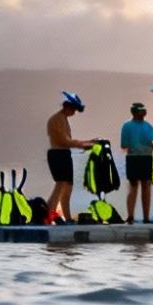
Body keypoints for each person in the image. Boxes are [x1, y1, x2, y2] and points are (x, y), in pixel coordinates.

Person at [45, 91, 93, 223]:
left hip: (65, 154)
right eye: (74, 109)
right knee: (60, 184)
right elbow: (64, 141)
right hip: (58, 154)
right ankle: (50, 214)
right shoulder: (56, 120)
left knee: (68, 186)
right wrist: (83, 145)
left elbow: (68, 141)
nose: (74, 113)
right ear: (68, 107)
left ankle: (67, 217)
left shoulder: (64, 119)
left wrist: (88, 142)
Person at [120, 102, 153, 222]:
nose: (143, 112)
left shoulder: (128, 126)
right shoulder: (144, 126)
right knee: (142, 187)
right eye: (141, 110)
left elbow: (124, 144)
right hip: (141, 158)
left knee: (136, 187)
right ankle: (140, 216)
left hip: (135, 158)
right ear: (136, 112)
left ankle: (134, 216)